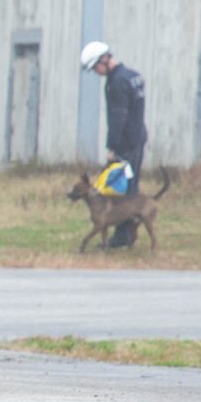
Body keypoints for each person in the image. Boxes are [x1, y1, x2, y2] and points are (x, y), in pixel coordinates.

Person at [79, 39, 147, 248]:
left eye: (95, 68)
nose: (97, 73)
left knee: (120, 190)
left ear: (104, 60)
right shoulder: (133, 76)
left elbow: (118, 117)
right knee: (131, 186)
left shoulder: (116, 82)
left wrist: (112, 148)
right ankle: (129, 233)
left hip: (125, 143)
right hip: (138, 137)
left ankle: (121, 236)